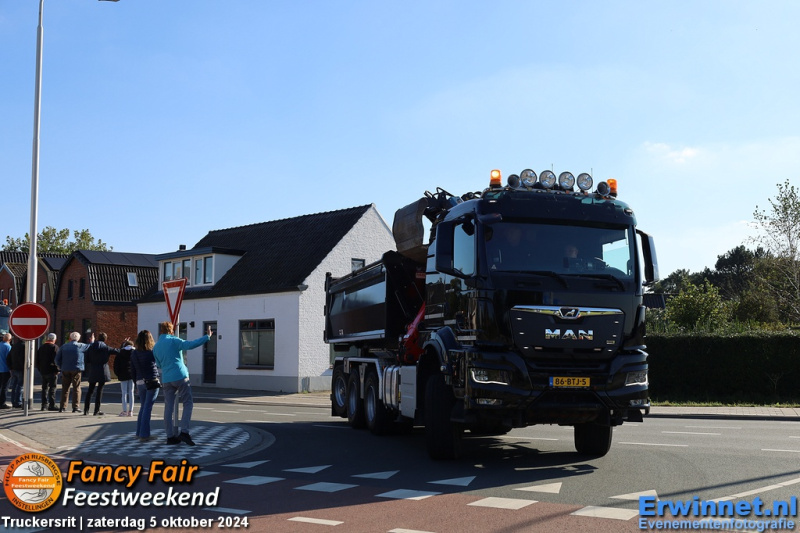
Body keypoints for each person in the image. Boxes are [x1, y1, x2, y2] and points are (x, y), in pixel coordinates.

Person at [153, 322, 212, 446]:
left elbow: (158, 364)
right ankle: (184, 432)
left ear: (161, 331)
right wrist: (207, 337)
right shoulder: (174, 340)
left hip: (166, 378)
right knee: (187, 403)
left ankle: (170, 436)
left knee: (168, 407)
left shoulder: (156, 346)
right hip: (180, 375)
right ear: (171, 331)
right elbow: (190, 344)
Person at [130, 330, 160, 442]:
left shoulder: (134, 353)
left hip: (139, 381)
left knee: (143, 407)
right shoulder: (151, 352)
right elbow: (158, 363)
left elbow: (132, 370)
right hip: (151, 380)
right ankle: (144, 435)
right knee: (147, 407)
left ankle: (139, 432)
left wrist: (135, 384)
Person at [83, 332, 120, 416]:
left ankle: (86, 410)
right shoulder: (106, 348)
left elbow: (87, 359)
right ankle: (96, 410)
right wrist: (124, 345)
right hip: (103, 370)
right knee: (99, 391)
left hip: (93, 370)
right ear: (105, 339)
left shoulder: (91, 347)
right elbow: (118, 351)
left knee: (90, 390)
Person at [55, 331, 91, 413]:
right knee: (76, 388)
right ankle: (75, 407)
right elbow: (90, 346)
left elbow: (57, 359)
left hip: (65, 369)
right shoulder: (81, 346)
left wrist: (61, 366)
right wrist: (92, 341)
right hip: (76, 369)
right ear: (78, 338)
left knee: (65, 388)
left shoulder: (64, 346)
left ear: (70, 338)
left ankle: (62, 407)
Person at [36, 333, 60, 411]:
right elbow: (56, 360)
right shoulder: (54, 347)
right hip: (52, 371)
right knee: (52, 388)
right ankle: (52, 405)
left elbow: (37, 360)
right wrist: (57, 370)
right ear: (54, 339)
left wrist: (40, 369)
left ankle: (44, 405)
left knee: (44, 388)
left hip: (43, 370)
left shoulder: (41, 347)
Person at [114, 339, 135, 417]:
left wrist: (118, 374)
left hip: (123, 374)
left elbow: (116, 365)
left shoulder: (120, 353)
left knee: (124, 393)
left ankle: (124, 411)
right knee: (131, 392)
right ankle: (131, 411)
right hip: (132, 374)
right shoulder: (135, 353)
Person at [7, 336, 25, 409]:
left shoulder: (14, 346)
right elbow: (22, 358)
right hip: (20, 369)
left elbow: (8, 357)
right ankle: (18, 402)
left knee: (14, 385)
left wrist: (10, 367)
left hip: (14, 368)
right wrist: (23, 367)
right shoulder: (24, 347)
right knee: (20, 385)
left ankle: (13, 401)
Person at [0, 334, 11, 409]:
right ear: (9, 340)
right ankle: (2, 403)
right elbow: (9, 359)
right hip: (5, 369)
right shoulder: (8, 347)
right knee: (4, 387)